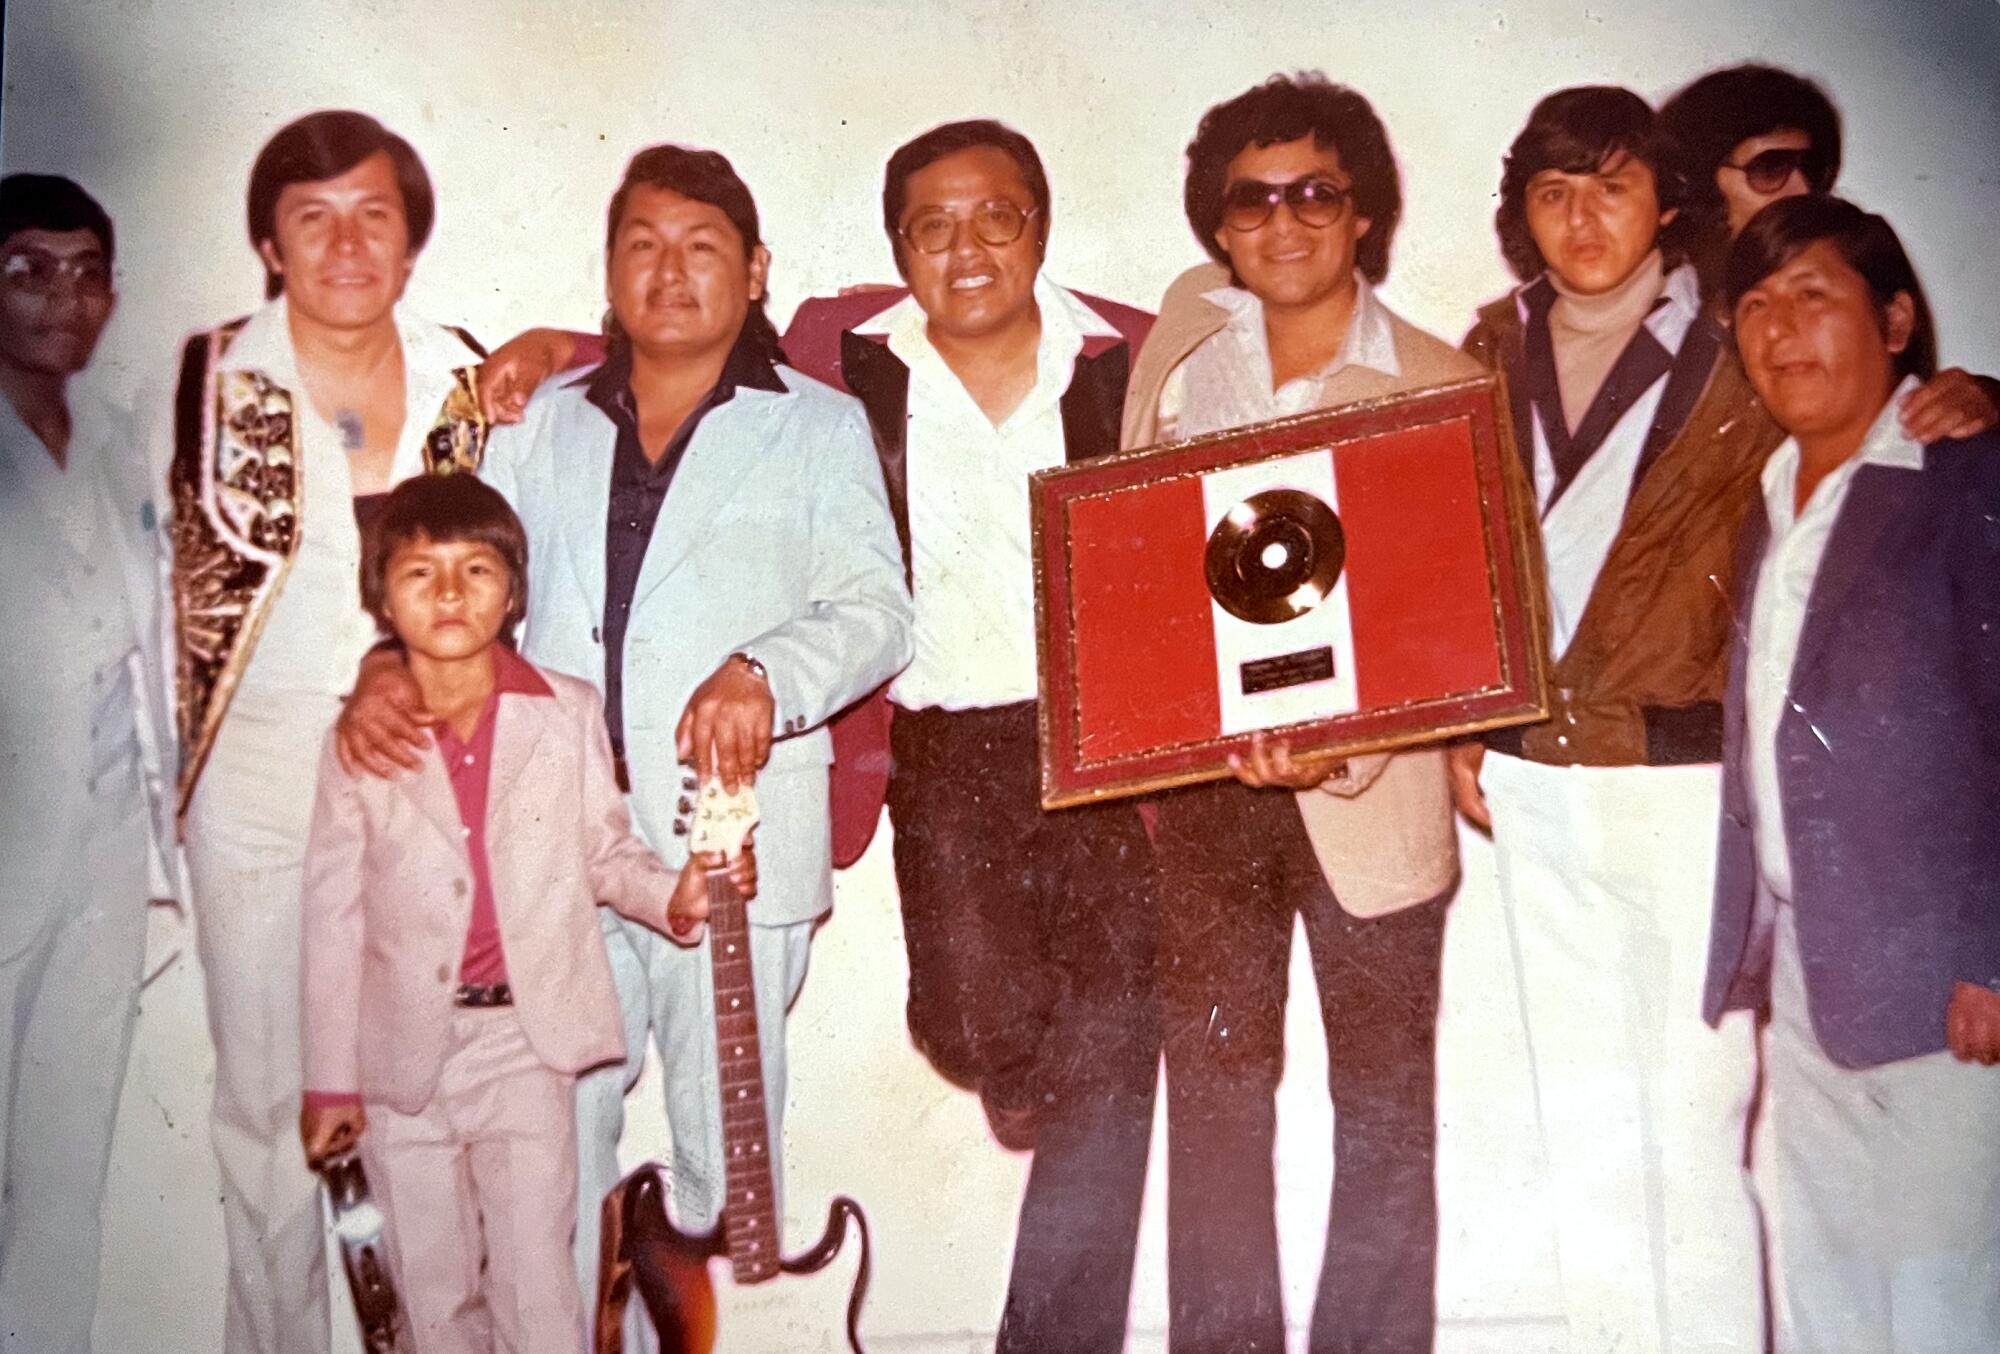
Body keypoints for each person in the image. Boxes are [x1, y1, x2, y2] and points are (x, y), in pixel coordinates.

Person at [470, 119, 1161, 1353]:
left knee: (1103, 1058)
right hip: (936, 757)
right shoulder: (850, 354)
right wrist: (539, 352)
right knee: (561, 1105)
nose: (963, 246)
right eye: (929, 225)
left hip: (1094, 746)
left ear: (1040, 228)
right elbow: (661, 340)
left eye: (992, 216)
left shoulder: (1131, 353)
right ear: (896, 248)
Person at [334, 142, 910, 1349]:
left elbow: (877, 611)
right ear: (606, 268)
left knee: (719, 1153)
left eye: (702, 245)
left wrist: (767, 672)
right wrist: (388, 667)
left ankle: (672, 1292)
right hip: (556, 853)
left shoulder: (819, 427)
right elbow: (447, 577)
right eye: (641, 243)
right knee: (554, 1137)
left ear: (755, 270)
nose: (670, 268)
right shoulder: (536, 420)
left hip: (732, 848)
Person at [1119, 75, 1482, 1353]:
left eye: (1314, 193)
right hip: (1211, 798)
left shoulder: (1439, 380)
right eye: (1251, 198)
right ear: (1216, 225)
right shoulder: (1177, 352)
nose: (1282, 222)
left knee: (1380, 1107)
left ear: (1365, 211)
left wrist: (1346, 744)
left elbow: (1451, 614)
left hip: (1369, 805)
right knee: (1215, 1102)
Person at [1446, 85, 1779, 1354]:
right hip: (1533, 778)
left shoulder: (1738, 339)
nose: (1582, 217)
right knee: (1582, 1124)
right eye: (1551, 191)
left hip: (1684, 778)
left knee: (1697, 1120)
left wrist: (1952, 394)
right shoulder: (1485, 348)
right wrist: (1460, 721)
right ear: (1518, 212)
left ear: (1665, 199)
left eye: (1612, 184)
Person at [165, 109, 488, 1354]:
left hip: (420, 756)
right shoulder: (199, 377)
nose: (346, 244)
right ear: (267, 241)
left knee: (424, 1084)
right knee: (264, 1099)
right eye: (312, 217)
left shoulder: (464, 371)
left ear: (409, 245)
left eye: (374, 216)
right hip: (253, 772)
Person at [298, 473, 746, 1354]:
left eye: (475, 570)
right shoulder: (361, 739)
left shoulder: (566, 711)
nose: (451, 593)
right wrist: (328, 1084)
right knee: (430, 1299)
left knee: (541, 1291)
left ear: (514, 592)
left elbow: (605, 853)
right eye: (420, 573)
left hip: (525, 1049)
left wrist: (675, 894)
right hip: (401, 1067)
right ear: (378, 595)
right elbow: (330, 918)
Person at [1705, 195, 2000, 1354]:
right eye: (1757, 308)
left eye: (1811, 296)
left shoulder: (1960, 477)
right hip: (1808, 969)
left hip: (1945, 988)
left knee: (1942, 1303)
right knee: (1826, 1295)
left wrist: (1992, 952)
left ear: (1893, 320)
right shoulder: (1767, 496)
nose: (1780, 331)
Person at [0, 173, 177, 1354]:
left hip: (110, 853)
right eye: (28, 270)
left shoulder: (120, 438)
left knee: (68, 1165)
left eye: (85, 272)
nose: (63, 297)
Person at [1658, 61, 1998, 440]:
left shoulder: (1854, 276)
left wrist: (1986, 400)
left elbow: (1909, 412)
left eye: (1813, 168)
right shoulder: (1650, 310)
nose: (1802, 190)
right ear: (1704, 185)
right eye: (1770, 169)